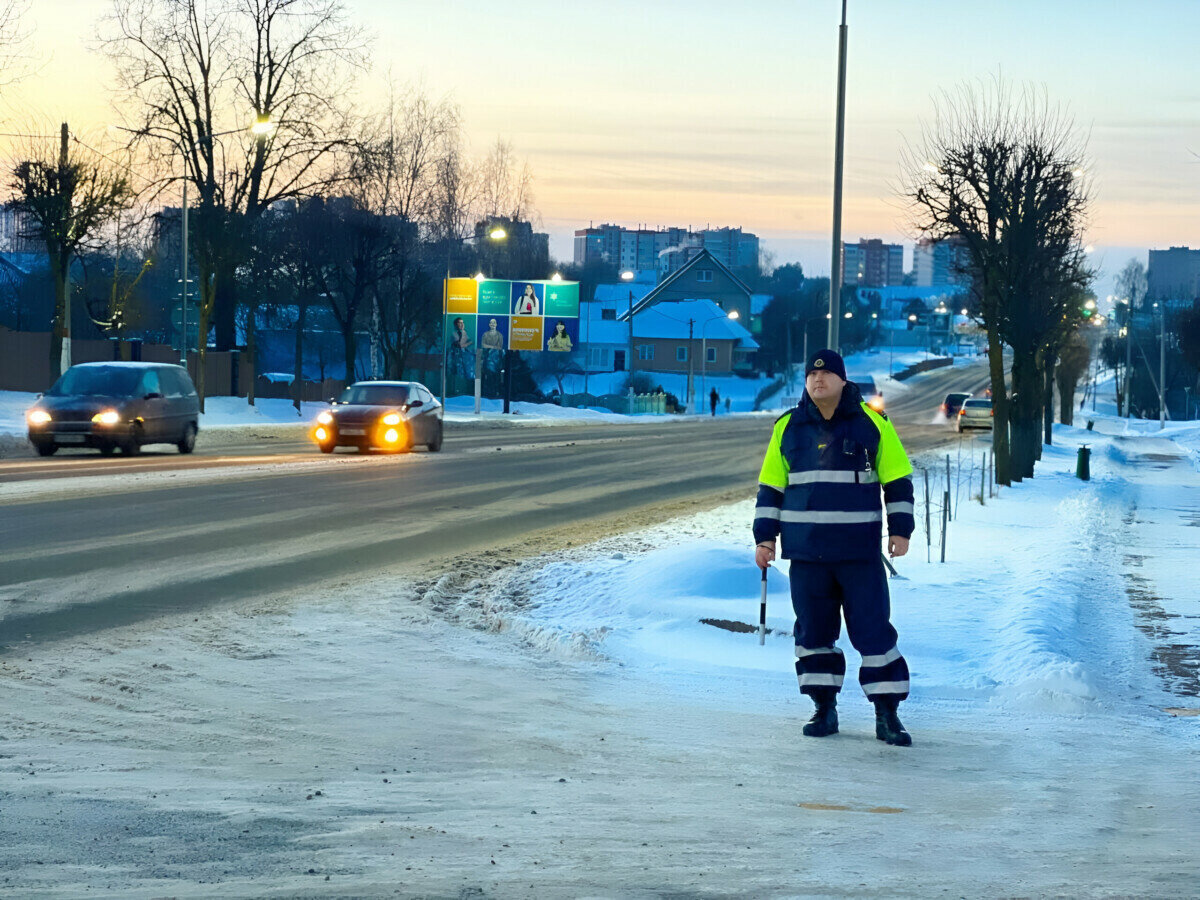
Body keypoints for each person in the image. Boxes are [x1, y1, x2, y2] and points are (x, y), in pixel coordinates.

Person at [753, 349, 916, 747]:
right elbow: (771, 487)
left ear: (843, 381)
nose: (817, 380)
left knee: (874, 633)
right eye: (811, 374)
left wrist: (902, 530)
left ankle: (886, 714)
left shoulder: (873, 424)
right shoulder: (787, 428)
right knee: (813, 634)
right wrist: (764, 536)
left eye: (826, 375)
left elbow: (898, 482)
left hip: (858, 554)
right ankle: (823, 708)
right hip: (807, 557)